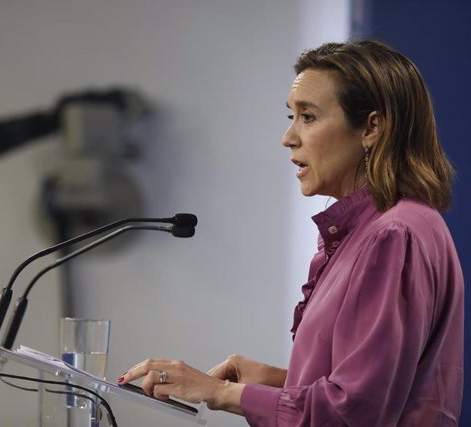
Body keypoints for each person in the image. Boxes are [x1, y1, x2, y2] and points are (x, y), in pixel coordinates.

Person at [118, 40, 464, 426]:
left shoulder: (392, 236)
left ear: (371, 127)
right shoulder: (384, 228)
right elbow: (378, 390)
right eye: (291, 116)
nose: (289, 137)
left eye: (309, 117)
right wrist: (274, 381)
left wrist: (220, 392)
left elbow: (357, 414)